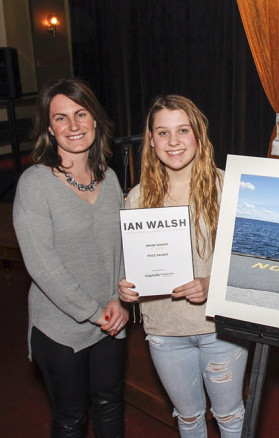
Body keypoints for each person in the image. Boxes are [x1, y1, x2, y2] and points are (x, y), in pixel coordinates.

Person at [117, 95, 248, 438]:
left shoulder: (228, 188)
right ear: (151, 140)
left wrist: (211, 282)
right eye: (162, 132)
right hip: (164, 332)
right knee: (188, 419)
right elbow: (134, 266)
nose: (173, 141)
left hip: (221, 329)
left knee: (230, 416)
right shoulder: (136, 198)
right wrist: (126, 287)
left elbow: (250, 266)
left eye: (182, 130)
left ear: (198, 136)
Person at [13, 78, 128, 437]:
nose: (73, 125)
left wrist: (120, 300)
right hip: (61, 329)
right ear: (49, 128)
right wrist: (94, 313)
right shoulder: (35, 184)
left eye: (81, 114)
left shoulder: (108, 179)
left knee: (110, 406)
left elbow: (122, 246)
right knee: (71, 418)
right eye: (61, 118)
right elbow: (41, 265)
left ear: (95, 119)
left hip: (112, 319)